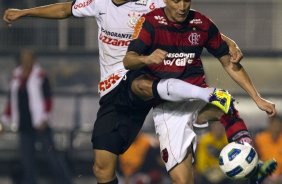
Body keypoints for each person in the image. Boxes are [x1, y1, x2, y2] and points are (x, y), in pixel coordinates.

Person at [3, 1, 245, 183]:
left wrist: (226, 42)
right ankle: (213, 110)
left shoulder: (153, 3)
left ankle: (220, 114)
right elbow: (65, 9)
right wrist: (25, 13)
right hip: (115, 89)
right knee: (102, 166)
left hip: (152, 77)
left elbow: (194, 23)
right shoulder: (99, 4)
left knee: (181, 167)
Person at [123, 0, 277, 183]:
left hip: (198, 94)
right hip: (169, 109)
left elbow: (228, 62)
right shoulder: (150, 22)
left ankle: (251, 165)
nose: (182, 7)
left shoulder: (201, 23)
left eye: (186, 0)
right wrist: (147, 58)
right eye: (176, 1)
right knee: (183, 181)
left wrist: (257, 98)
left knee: (225, 105)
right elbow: (128, 60)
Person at [0, 49, 72, 184]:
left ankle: (65, 181)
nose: (25, 60)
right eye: (23, 58)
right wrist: (4, 120)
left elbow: (48, 99)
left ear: (33, 59)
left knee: (52, 157)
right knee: (27, 160)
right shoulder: (16, 77)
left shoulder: (41, 75)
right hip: (23, 124)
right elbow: (12, 101)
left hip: (40, 124)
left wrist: (45, 117)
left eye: (28, 57)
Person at [255, 115, 282, 184]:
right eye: (274, 125)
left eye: (278, 125)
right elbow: (255, 159)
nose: (276, 128)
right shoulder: (260, 139)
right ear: (269, 125)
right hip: (264, 175)